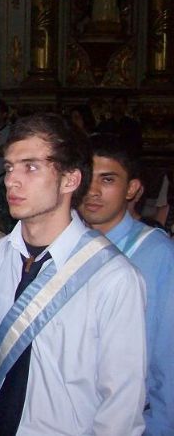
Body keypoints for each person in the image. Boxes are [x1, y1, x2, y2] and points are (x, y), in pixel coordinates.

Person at [0, 114, 145, 435]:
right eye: (9, 167)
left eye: (30, 167)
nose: (11, 180)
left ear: (70, 180)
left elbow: (121, 402)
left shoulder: (112, 277)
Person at [78, 133, 174, 435]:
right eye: (87, 179)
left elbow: (166, 355)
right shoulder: (65, 244)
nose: (92, 191)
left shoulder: (155, 253)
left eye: (107, 180)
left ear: (132, 188)